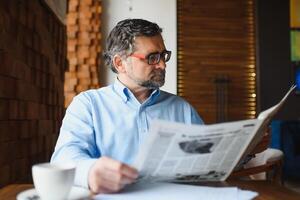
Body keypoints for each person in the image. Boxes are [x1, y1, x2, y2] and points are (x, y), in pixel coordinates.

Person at [51, 18, 203, 194]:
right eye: (152, 57)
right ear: (119, 63)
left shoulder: (182, 109)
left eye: (163, 55)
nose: (162, 65)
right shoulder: (88, 105)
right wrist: (90, 171)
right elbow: (63, 159)